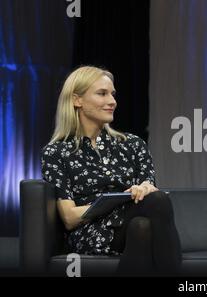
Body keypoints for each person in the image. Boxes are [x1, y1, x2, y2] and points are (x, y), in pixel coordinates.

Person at [41, 66, 182, 276]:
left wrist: (144, 188)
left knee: (142, 226)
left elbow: (149, 187)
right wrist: (119, 199)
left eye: (113, 94)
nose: (112, 101)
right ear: (77, 100)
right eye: (102, 93)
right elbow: (70, 218)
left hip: (132, 222)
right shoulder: (56, 152)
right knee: (155, 206)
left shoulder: (132, 144)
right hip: (90, 231)